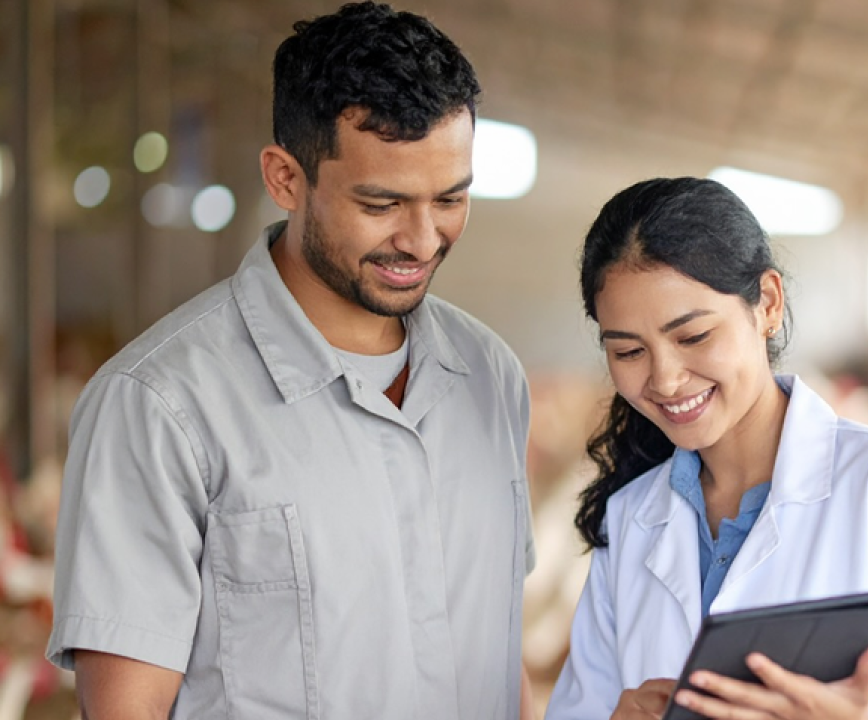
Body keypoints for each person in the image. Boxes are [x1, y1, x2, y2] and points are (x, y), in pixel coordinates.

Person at [46, 3, 537, 718]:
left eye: (451, 199)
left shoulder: (491, 377)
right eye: (381, 202)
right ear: (284, 178)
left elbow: (499, 649)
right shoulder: (160, 406)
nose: (424, 239)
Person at [544, 177, 868, 720]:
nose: (666, 379)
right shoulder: (632, 517)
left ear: (767, 304)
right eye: (629, 351)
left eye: (693, 337)